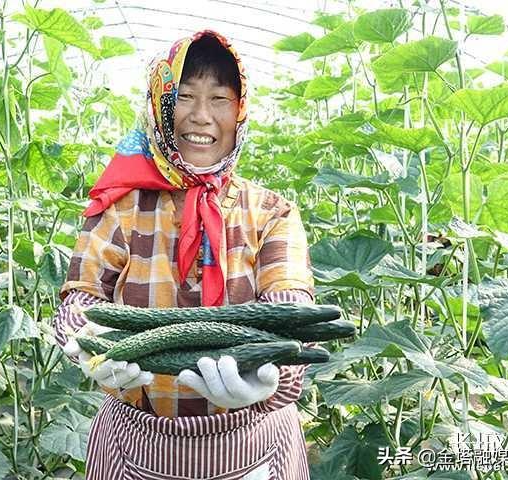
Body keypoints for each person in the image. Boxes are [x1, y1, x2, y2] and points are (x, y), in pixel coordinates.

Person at [53, 30, 315, 480]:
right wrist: (89, 341)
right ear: (161, 106)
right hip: (139, 443)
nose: (200, 116)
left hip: (254, 443)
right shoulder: (121, 208)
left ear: (240, 111)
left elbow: (290, 304)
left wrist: (272, 371)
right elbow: (81, 297)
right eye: (185, 96)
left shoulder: (271, 212)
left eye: (219, 99)